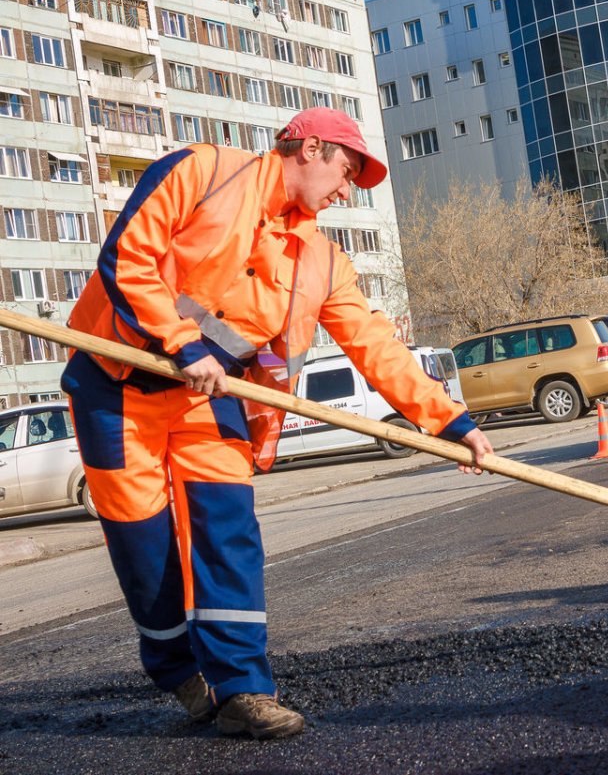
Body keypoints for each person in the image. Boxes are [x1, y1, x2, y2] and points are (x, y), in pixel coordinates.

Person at [61, 107, 494, 741]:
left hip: (210, 398)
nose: (347, 191)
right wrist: (183, 344)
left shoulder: (321, 260)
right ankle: (180, 671)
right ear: (310, 149)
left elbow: (378, 347)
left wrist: (451, 421)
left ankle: (242, 690)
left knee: (229, 535)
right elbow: (128, 260)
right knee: (145, 550)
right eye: (347, 171)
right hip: (116, 384)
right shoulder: (202, 172)